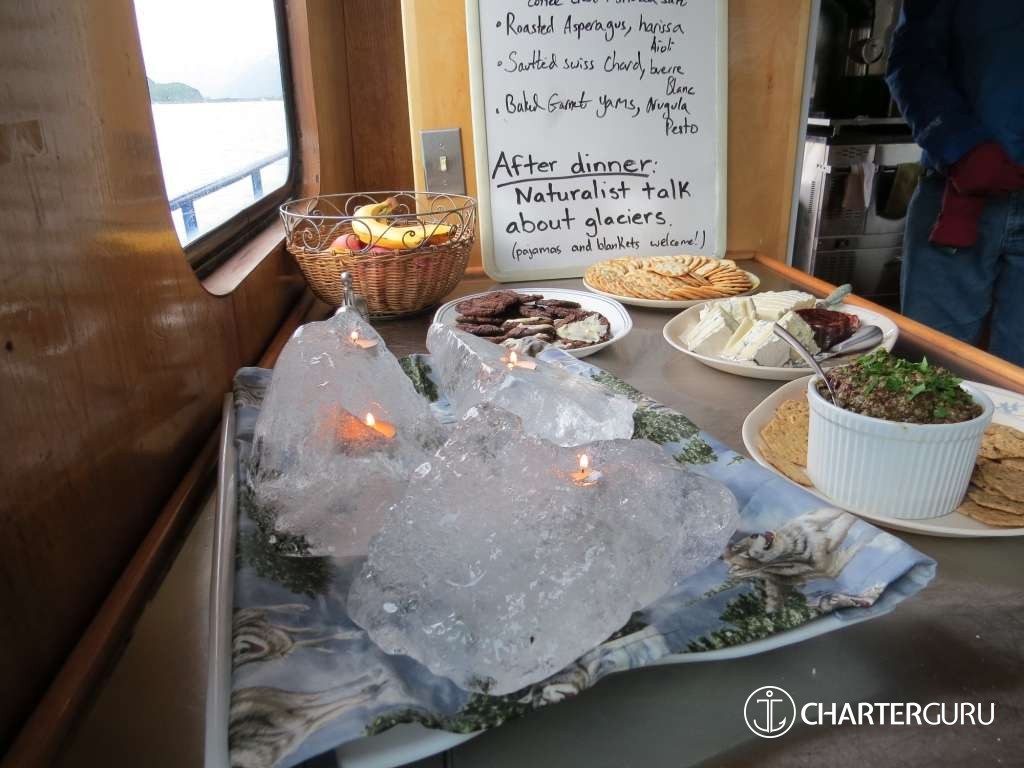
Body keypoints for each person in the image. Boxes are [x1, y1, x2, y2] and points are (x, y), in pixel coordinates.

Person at [886, 0, 1024, 366]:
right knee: (927, 367)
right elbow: (913, 60)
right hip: (958, 186)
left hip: (966, 184)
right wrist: (962, 147)